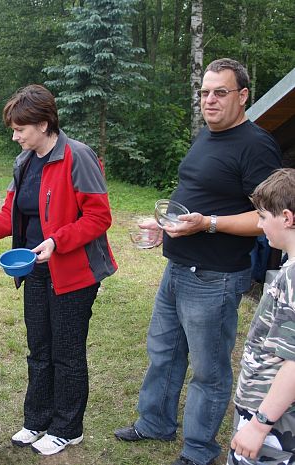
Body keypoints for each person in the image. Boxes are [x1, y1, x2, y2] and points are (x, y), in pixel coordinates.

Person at [113, 58, 283, 465]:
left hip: (216, 276)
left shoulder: (256, 145)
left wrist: (207, 223)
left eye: (220, 92)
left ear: (242, 96)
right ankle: (155, 422)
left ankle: (199, 450)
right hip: (178, 265)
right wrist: (165, 224)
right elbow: (196, 194)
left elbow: (267, 218)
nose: (209, 100)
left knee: (208, 370)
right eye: (205, 92)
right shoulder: (207, 135)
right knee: (164, 352)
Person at [0, 84, 117, 456]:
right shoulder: (24, 161)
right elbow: (10, 215)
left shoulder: (78, 156)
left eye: (19, 129)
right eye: (13, 128)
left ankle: (67, 427)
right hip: (35, 268)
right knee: (39, 347)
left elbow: (99, 217)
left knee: (67, 350)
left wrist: (58, 241)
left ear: (44, 124)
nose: (14, 136)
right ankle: (37, 419)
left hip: (73, 271)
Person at [228, 168, 295, 465]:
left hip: (272, 418)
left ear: (287, 218)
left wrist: (258, 425)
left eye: (263, 217)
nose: (258, 224)